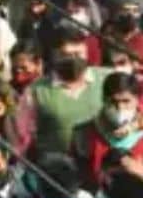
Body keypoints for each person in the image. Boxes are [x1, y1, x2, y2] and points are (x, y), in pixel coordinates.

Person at [24, 22, 111, 156]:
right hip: (57, 169)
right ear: (54, 55)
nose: (73, 60)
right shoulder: (36, 91)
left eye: (77, 54)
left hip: (103, 164)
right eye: (66, 55)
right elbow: (23, 136)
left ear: (86, 51)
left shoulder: (107, 79)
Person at [71, 72, 143, 192]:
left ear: (137, 100)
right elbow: (79, 180)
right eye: (113, 102)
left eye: (126, 101)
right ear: (104, 100)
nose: (120, 108)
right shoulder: (84, 133)